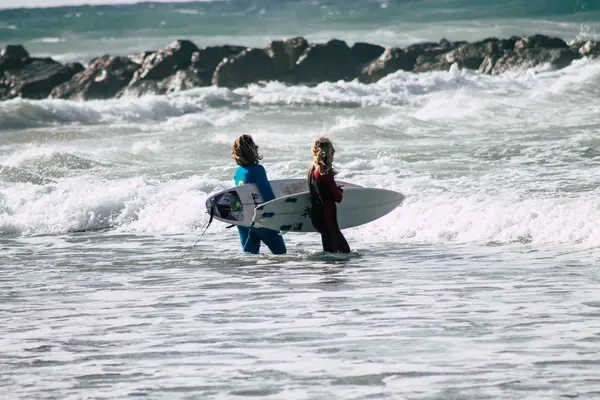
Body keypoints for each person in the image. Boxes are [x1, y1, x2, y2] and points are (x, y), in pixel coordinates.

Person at [232, 134, 286, 255]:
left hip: (244, 223)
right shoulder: (258, 170)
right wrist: (281, 216)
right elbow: (268, 197)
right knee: (280, 254)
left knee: (250, 257)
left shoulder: (238, 173)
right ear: (253, 149)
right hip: (262, 221)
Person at [306, 136, 351, 254]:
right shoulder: (326, 173)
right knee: (344, 252)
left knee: (330, 252)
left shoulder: (310, 171)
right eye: (332, 150)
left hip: (317, 218)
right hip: (328, 219)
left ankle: (326, 271)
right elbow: (338, 198)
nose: (334, 152)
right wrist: (339, 190)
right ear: (327, 153)